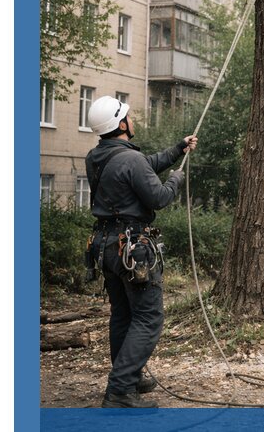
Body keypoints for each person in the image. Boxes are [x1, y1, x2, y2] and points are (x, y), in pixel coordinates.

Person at [85, 95, 198, 408]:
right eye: (129, 117)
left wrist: (178, 148)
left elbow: (145, 165)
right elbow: (158, 196)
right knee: (148, 317)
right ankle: (121, 389)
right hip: (132, 247)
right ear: (121, 124)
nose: (132, 121)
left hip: (106, 247)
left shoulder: (97, 157)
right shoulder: (129, 160)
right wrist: (175, 180)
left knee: (123, 313)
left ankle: (129, 377)